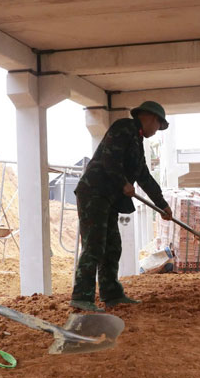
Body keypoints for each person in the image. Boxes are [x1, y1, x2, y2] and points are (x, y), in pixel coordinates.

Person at [71, 101, 174, 312]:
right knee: (94, 245)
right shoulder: (124, 128)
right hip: (94, 193)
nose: (156, 131)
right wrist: (123, 182)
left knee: (112, 246)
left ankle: (112, 294)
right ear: (151, 118)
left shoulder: (136, 140)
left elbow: (144, 176)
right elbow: (110, 159)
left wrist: (162, 205)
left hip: (108, 198)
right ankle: (82, 297)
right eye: (158, 126)